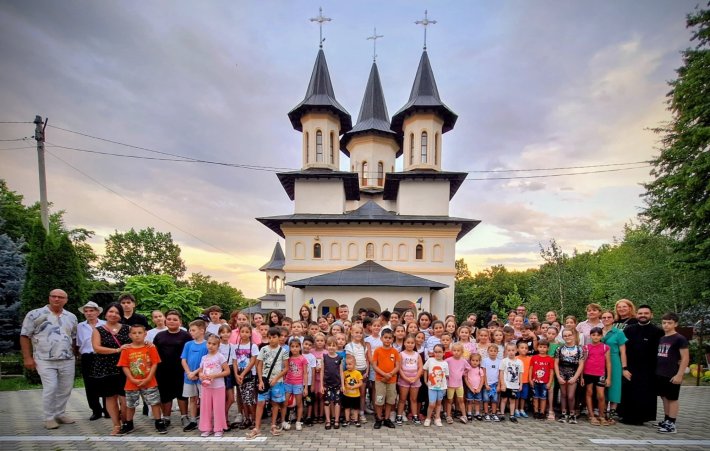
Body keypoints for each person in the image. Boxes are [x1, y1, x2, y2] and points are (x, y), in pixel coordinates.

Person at [20, 289, 78, 430]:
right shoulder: (35, 314)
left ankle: (60, 414)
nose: (57, 299)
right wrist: (27, 357)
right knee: (51, 388)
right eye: (54, 296)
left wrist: (76, 354)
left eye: (61, 297)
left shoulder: (71, 317)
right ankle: (49, 418)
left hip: (67, 358)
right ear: (49, 297)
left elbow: (74, 337)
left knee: (65, 388)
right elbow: (25, 336)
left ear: (66, 300)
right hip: (44, 359)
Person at [91, 302, 132, 435]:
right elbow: (97, 348)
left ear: (121, 315)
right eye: (111, 311)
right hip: (105, 367)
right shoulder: (98, 330)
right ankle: (116, 424)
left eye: (117, 312)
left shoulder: (127, 328)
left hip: (125, 368)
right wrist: (117, 350)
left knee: (125, 398)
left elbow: (137, 342)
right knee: (110, 397)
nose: (113, 314)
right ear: (106, 313)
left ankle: (126, 421)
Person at [117, 324, 166, 434]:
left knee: (154, 403)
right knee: (130, 404)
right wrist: (132, 379)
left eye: (140, 333)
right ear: (130, 335)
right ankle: (129, 424)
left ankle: (159, 422)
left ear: (145, 334)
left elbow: (154, 363)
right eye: (134, 333)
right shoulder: (126, 349)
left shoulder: (150, 347)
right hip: (131, 383)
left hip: (150, 381)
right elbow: (124, 366)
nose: (137, 335)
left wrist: (149, 378)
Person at [619, 305, 664, 425]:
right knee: (629, 392)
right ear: (636, 315)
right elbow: (622, 350)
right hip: (630, 367)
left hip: (649, 369)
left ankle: (643, 417)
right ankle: (626, 416)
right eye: (640, 313)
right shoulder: (628, 330)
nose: (643, 315)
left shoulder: (658, 331)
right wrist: (624, 368)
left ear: (651, 315)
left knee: (645, 393)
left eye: (646, 313)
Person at [247, 327, 289, 439]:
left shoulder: (283, 351)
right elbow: (258, 365)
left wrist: (276, 378)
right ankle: (257, 428)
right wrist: (260, 380)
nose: (272, 339)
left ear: (279, 338)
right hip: (264, 381)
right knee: (260, 403)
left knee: (275, 404)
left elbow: (286, 368)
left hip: (277, 382)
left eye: (274, 337)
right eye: (269, 337)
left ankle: (273, 425)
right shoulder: (263, 349)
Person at [152, 309, 191, 429]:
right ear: (165, 320)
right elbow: (154, 353)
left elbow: (189, 353)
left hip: (181, 370)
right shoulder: (159, 336)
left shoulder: (186, 335)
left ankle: (184, 416)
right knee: (165, 395)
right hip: (163, 371)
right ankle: (166, 417)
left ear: (180, 321)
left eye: (175, 319)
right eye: (169, 319)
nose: (171, 321)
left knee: (182, 394)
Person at [656, 312, 690, 434]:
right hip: (661, 373)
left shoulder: (679, 339)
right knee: (664, 396)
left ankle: (672, 423)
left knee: (672, 398)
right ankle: (667, 419)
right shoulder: (662, 338)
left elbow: (685, 358)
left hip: (672, 373)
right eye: (664, 323)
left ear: (675, 324)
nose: (666, 325)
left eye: (669, 323)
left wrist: (679, 374)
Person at [76, 301, 107, 421]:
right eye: (86, 311)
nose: (89, 313)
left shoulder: (105, 324)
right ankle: (96, 410)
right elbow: (79, 343)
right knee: (90, 384)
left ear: (97, 312)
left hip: (102, 356)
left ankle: (108, 409)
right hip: (87, 357)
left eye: (91, 310)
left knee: (105, 383)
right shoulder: (80, 326)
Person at [197, 334, 230, 437]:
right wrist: (201, 375)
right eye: (209, 343)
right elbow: (200, 371)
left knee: (218, 408)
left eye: (214, 344)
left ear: (218, 345)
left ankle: (219, 428)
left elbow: (227, 371)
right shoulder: (204, 357)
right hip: (206, 386)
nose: (211, 346)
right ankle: (207, 428)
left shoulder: (220, 356)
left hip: (218, 386)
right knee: (206, 408)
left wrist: (215, 375)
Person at [180, 319, 208, 432]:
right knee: (192, 398)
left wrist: (196, 373)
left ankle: (204, 419)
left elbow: (207, 362)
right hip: (189, 377)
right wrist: (189, 373)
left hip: (202, 377)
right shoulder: (188, 344)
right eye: (190, 330)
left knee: (203, 399)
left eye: (193, 330)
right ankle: (193, 420)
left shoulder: (207, 345)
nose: (190, 332)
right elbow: (183, 360)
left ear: (201, 330)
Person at [600, 310, 628, 419]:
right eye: (604, 317)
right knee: (602, 386)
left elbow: (623, 352)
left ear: (613, 319)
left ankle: (612, 413)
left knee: (614, 386)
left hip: (614, 359)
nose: (606, 319)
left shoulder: (618, 332)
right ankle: (602, 411)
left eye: (609, 317)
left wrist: (624, 368)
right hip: (600, 361)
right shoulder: (599, 331)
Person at [581, 327, 611, 425]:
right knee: (589, 392)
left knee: (601, 395)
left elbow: (608, 363)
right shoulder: (586, 347)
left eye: (598, 335)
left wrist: (609, 377)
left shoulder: (605, 347)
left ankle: (601, 415)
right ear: (590, 336)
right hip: (588, 373)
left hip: (600, 374)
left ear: (601, 336)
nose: (596, 337)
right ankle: (591, 415)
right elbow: (583, 362)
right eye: (593, 335)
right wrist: (581, 377)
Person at [554, 328, 585, 424]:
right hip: (562, 372)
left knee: (571, 395)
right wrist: (558, 376)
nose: (567, 337)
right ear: (563, 337)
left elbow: (581, 364)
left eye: (569, 335)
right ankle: (563, 413)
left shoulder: (579, 349)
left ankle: (572, 413)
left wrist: (576, 377)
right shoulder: (559, 349)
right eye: (565, 336)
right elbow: (556, 363)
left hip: (573, 373)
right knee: (563, 394)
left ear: (573, 336)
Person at [371, 329, 400, 429]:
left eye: (390, 338)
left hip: (391, 380)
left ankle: (387, 419)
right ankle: (379, 419)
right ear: (381, 338)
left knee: (390, 400)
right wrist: (384, 374)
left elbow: (397, 366)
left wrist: (390, 374)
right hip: (380, 380)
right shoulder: (377, 351)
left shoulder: (395, 352)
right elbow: (374, 365)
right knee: (379, 400)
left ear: (393, 339)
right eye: (385, 337)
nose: (387, 340)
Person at [233, 324, 258, 431]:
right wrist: (236, 374)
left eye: (247, 332)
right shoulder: (235, 346)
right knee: (243, 398)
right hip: (239, 376)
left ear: (250, 333)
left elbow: (253, 361)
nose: (244, 334)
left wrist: (243, 374)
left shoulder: (253, 346)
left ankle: (254, 419)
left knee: (250, 398)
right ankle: (246, 418)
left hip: (250, 375)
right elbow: (234, 362)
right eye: (242, 331)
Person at [283, 337, 309, 431]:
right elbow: (284, 370)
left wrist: (305, 387)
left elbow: (305, 373)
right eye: (292, 346)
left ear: (300, 347)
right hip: (288, 383)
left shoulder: (303, 359)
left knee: (299, 403)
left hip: (298, 384)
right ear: (289, 348)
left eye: (297, 346)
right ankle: (283, 421)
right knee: (285, 403)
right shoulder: (288, 358)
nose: (294, 348)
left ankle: (298, 421)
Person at [396, 334, 422, 425]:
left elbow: (420, 368)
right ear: (404, 343)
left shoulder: (417, 355)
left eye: (412, 343)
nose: (410, 344)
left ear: (414, 344)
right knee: (402, 399)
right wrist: (406, 378)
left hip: (415, 380)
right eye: (408, 342)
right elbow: (399, 368)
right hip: (404, 379)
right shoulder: (401, 354)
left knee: (413, 399)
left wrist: (415, 378)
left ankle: (415, 415)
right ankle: (399, 415)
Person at [321, 336, 344, 430]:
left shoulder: (339, 358)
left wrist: (343, 385)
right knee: (327, 402)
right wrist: (321, 385)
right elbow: (322, 371)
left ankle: (336, 420)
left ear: (337, 347)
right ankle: (328, 420)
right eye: (329, 345)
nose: (331, 347)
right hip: (327, 384)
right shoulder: (324, 357)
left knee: (337, 402)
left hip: (337, 384)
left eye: (333, 345)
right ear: (326, 346)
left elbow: (341, 372)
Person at [445, 342, 471, 424]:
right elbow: (443, 366)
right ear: (452, 351)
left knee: (461, 400)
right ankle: (448, 416)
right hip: (450, 384)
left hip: (459, 385)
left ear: (462, 352)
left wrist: (463, 373)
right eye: (454, 350)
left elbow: (469, 368)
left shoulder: (463, 361)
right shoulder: (448, 360)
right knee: (450, 401)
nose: (456, 352)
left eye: (458, 350)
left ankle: (464, 416)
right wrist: (446, 375)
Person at [423, 344, 448, 427]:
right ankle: (428, 418)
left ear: (444, 353)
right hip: (432, 387)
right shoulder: (430, 360)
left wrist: (445, 387)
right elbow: (425, 369)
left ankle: (437, 418)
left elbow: (446, 376)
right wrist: (425, 380)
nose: (438, 354)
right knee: (431, 404)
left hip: (441, 387)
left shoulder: (445, 363)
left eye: (440, 352)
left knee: (439, 403)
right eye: (436, 352)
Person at [530, 340, 554, 419]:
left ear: (548, 348)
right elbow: (531, 369)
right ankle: (536, 411)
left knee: (543, 397)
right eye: (540, 347)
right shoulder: (534, 358)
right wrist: (530, 379)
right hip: (535, 381)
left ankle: (542, 412)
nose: (542, 349)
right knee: (535, 397)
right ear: (537, 347)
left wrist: (550, 382)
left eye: (544, 347)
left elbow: (551, 371)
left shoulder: (550, 359)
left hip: (545, 382)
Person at [499, 343, 523, 423]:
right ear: (506, 351)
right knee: (504, 399)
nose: (511, 352)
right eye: (509, 350)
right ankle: (502, 414)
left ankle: (512, 415)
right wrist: (502, 384)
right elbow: (501, 373)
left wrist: (521, 384)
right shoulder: (504, 361)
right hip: (506, 385)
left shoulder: (520, 362)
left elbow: (520, 374)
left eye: (513, 350)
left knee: (512, 400)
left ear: (516, 351)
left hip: (515, 385)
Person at [481, 344, 502, 422]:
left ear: (497, 352)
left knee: (494, 400)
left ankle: (493, 413)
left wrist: (499, 385)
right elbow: (484, 373)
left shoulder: (499, 361)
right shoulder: (485, 361)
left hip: (495, 384)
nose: (493, 352)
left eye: (495, 351)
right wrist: (486, 384)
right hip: (487, 384)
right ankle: (486, 413)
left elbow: (500, 374)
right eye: (491, 351)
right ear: (488, 351)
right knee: (486, 399)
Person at [343, 354, 364, 426]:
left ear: (354, 364)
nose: (348, 366)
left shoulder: (357, 373)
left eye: (350, 364)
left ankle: (356, 420)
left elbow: (361, 383)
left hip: (356, 395)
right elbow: (343, 382)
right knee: (347, 408)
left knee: (356, 408)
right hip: (347, 394)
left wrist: (354, 386)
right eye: (347, 364)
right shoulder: (345, 373)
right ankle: (347, 420)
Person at [464, 352, 485, 421]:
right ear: (470, 361)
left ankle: (477, 413)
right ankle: (469, 413)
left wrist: (479, 388)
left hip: (478, 388)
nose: (475, 362)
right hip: (470, 388)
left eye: (477, 361)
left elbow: (482, 379)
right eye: (473, 360)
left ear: (479, 362)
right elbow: (466, 379)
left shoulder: (480, 369)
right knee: (469, 401)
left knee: (477, 402)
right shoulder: (468, 369)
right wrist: (470, 387)